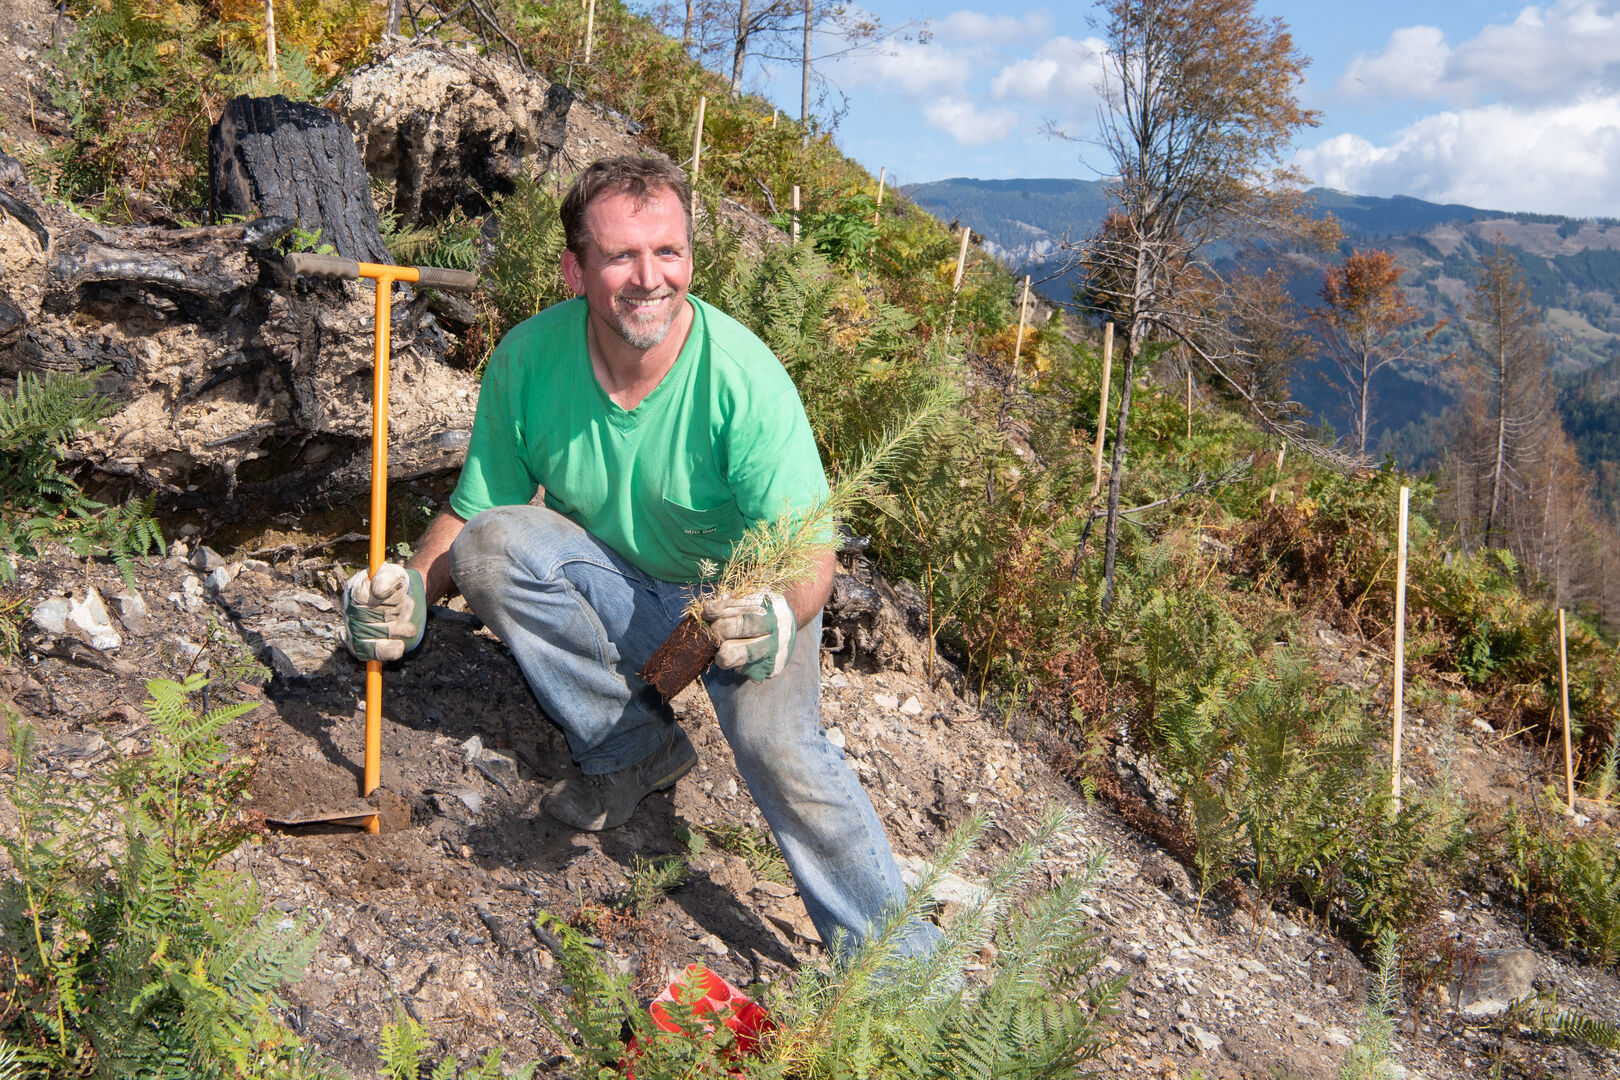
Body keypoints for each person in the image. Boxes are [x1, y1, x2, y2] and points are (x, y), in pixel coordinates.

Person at [340, 155, 937, 961]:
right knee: (491, 548)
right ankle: (631, 749)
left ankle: (900, 972)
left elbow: (810, 560)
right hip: (621, 582)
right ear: (575, 269)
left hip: (741, 603)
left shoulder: (743, 381)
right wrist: (410, 590)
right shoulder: (528, 360)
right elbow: (476, 511)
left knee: (781, 750)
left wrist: (770, 618)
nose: (649, 278)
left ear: (691, 258)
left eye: (669, 253)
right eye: (621, 255)